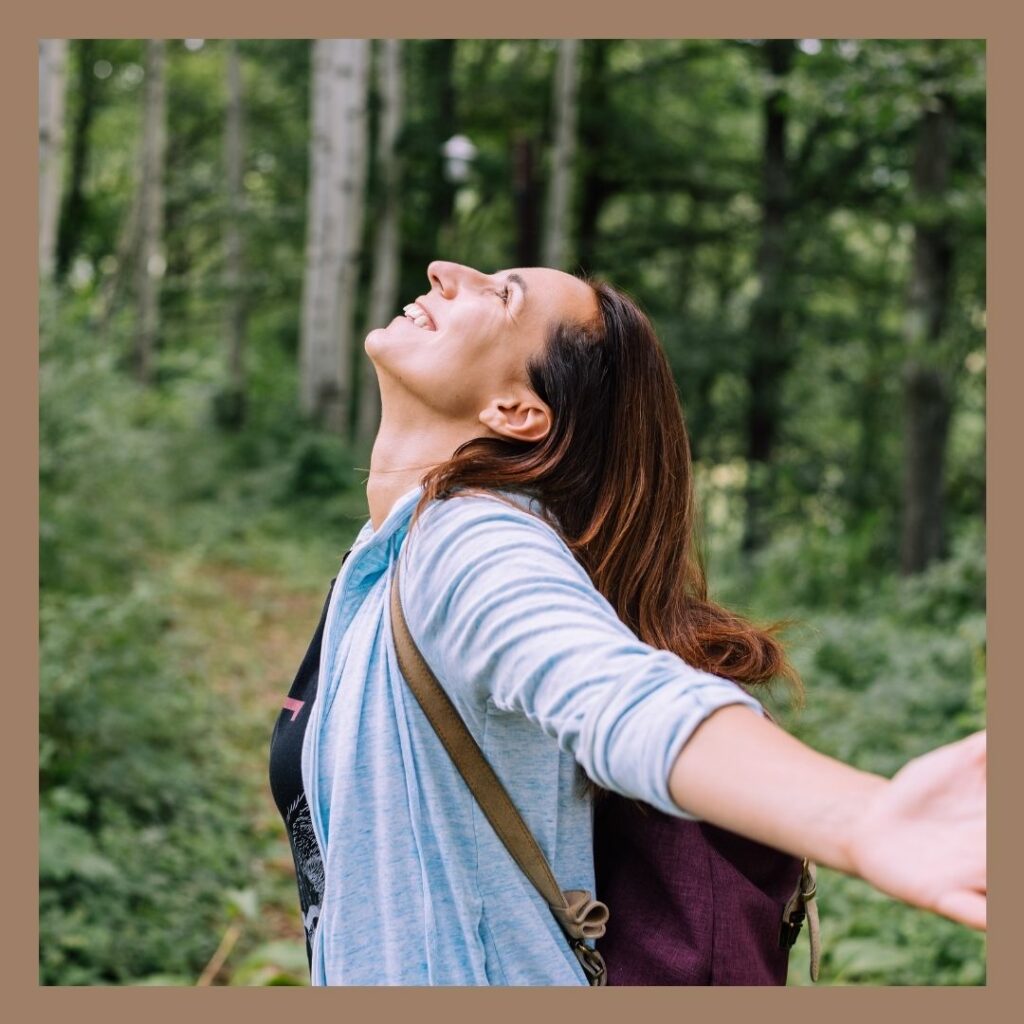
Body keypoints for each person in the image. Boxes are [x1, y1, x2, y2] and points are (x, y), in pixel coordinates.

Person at [268, 261, 986, 986]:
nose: (446, 271)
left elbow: (621, 696)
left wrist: (863, 820)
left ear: (517, 411)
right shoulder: (384, 550)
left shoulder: (470, 542)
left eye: (504, 293)